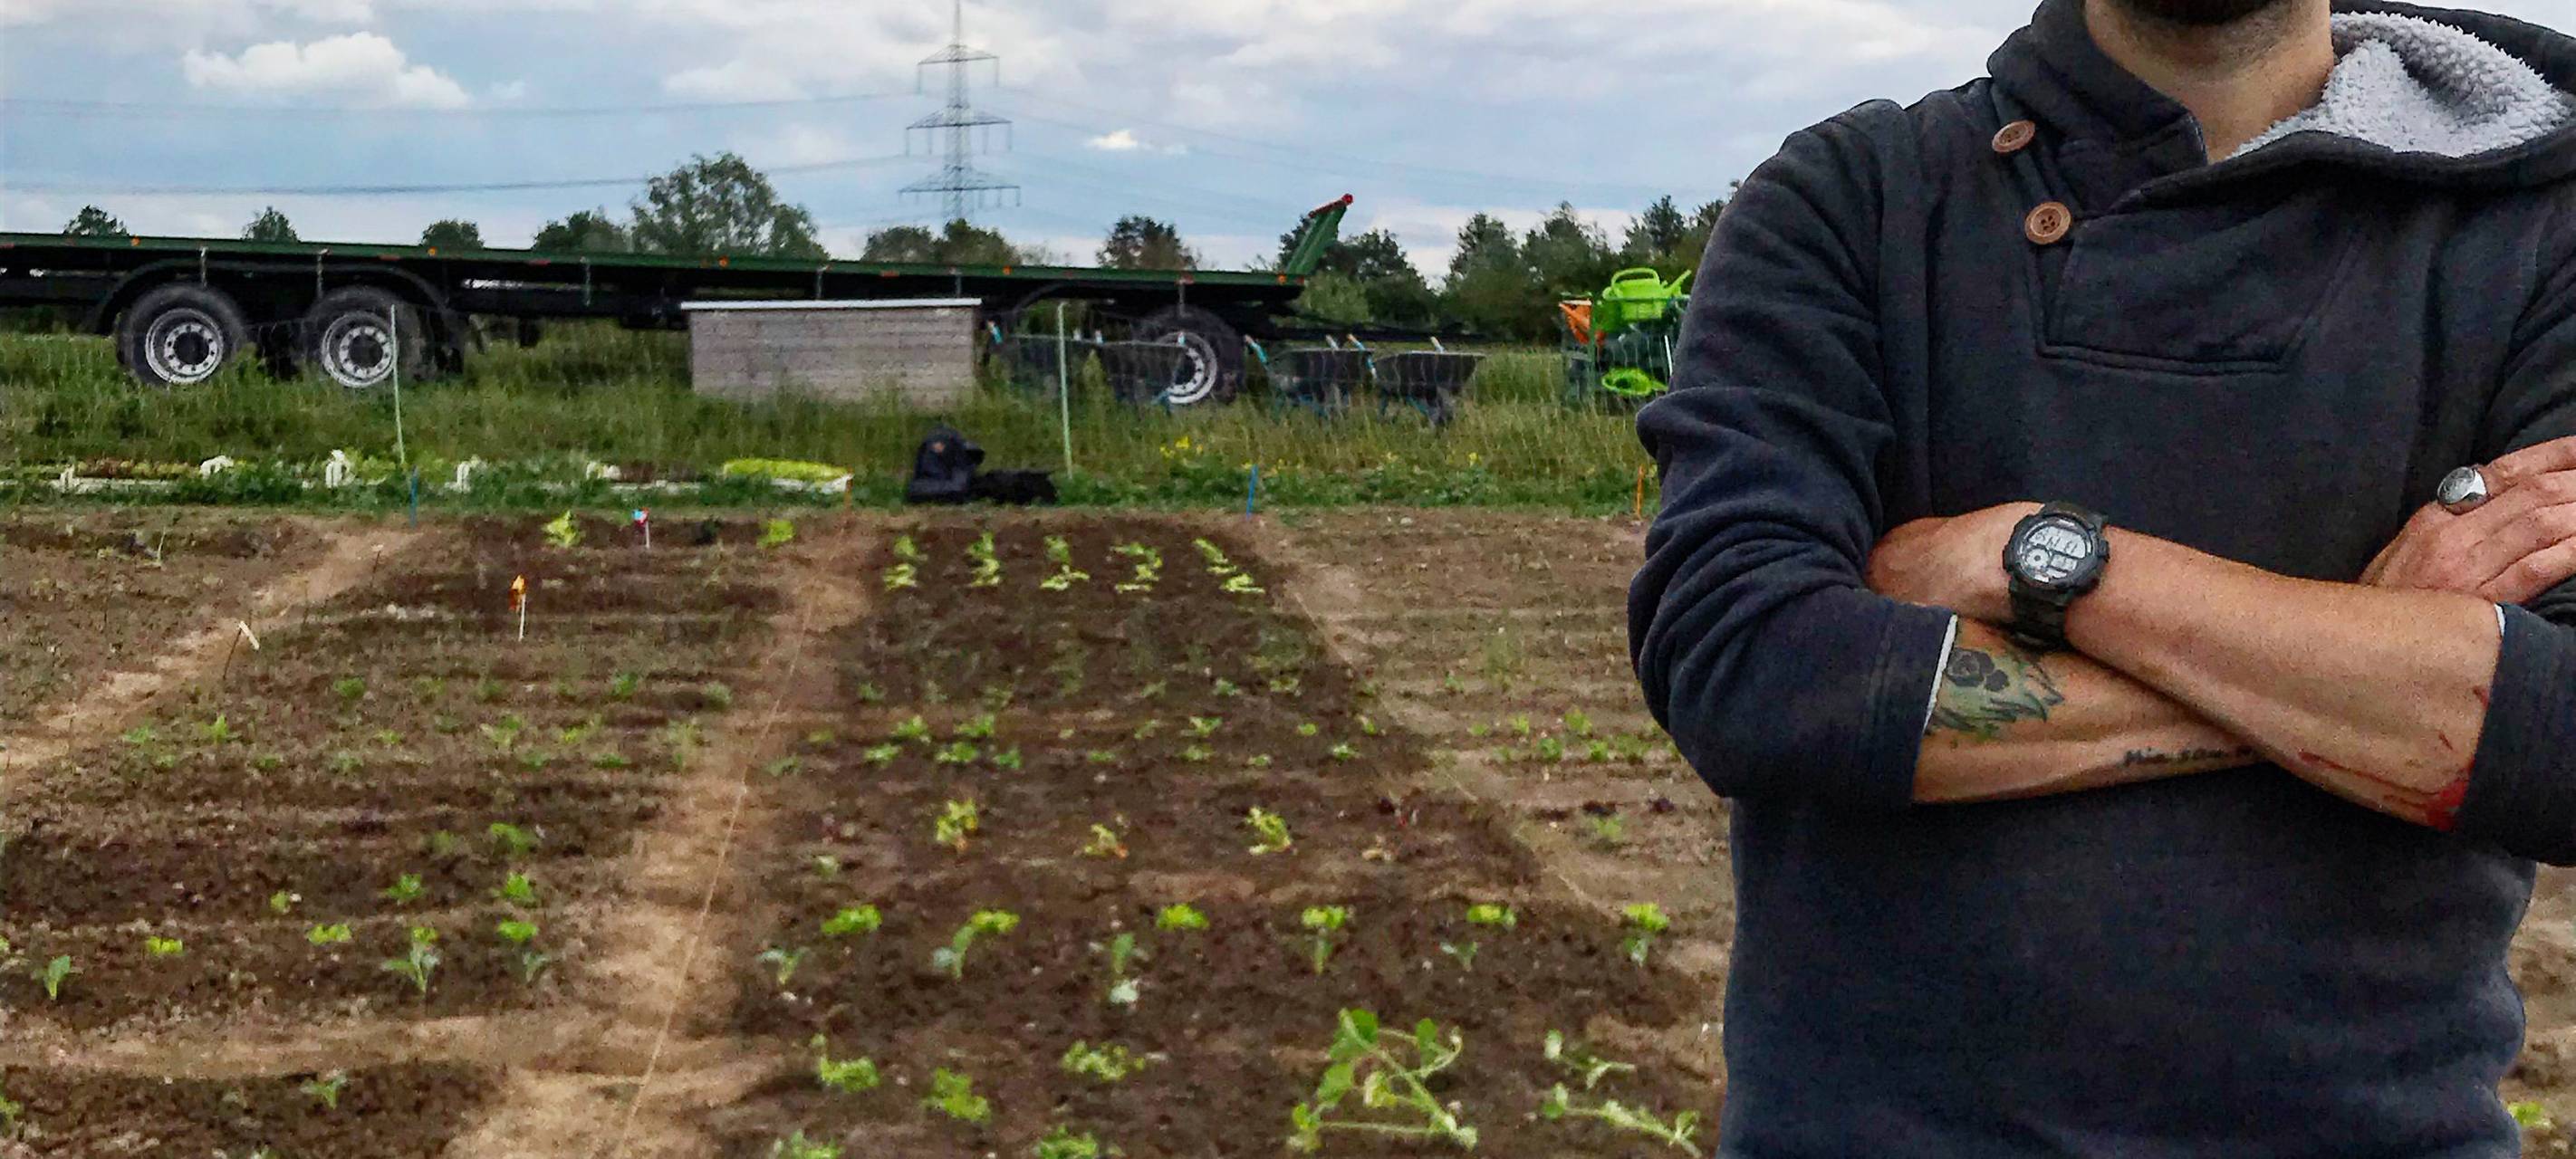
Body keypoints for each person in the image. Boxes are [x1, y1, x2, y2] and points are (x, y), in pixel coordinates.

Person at [1629, 0, 2576, 1154]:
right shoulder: (1852, 201)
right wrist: (2377, 650)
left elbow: (2560, 740)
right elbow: (1751, 666)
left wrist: (2056, 562)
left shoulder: (2536, 231)